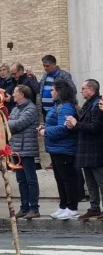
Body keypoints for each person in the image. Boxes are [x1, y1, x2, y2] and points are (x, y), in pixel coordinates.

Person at [39, 79, 80, 220]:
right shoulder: (58, 106)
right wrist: (45, 127)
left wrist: (46, 131)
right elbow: (55, 123)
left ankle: (72, 208)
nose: (50, 92)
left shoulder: (66, 107)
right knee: (60, 179)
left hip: (64, 149)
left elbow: (63, 128)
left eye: (53, 90)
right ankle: (63, 206)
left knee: (68, 179)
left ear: (59, 91)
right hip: (56, 148)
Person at [65, 80, 103, 220]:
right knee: (90, 182)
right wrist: (72, 126)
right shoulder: (89, 104)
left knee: (100, 181)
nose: (81, 91)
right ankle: (94, 208)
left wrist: (77, 124)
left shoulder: (98, 105)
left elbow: (95, 127)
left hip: (95, 150)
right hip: (87, 149)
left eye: (83, 88)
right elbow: (84, 126)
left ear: (91, 90)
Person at [8, 85, 40, 219]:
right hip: (16, 149)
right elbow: (12, 123)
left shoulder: (31, 109)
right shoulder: (16, 108)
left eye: (15, 92)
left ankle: (34, 208)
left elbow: (17, 124)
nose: (13, 95)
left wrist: (7, 123)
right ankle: (24, 207)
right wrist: (9, 123)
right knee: (21, 180)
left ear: (22, 94)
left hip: (27, 149)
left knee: (30, 180)